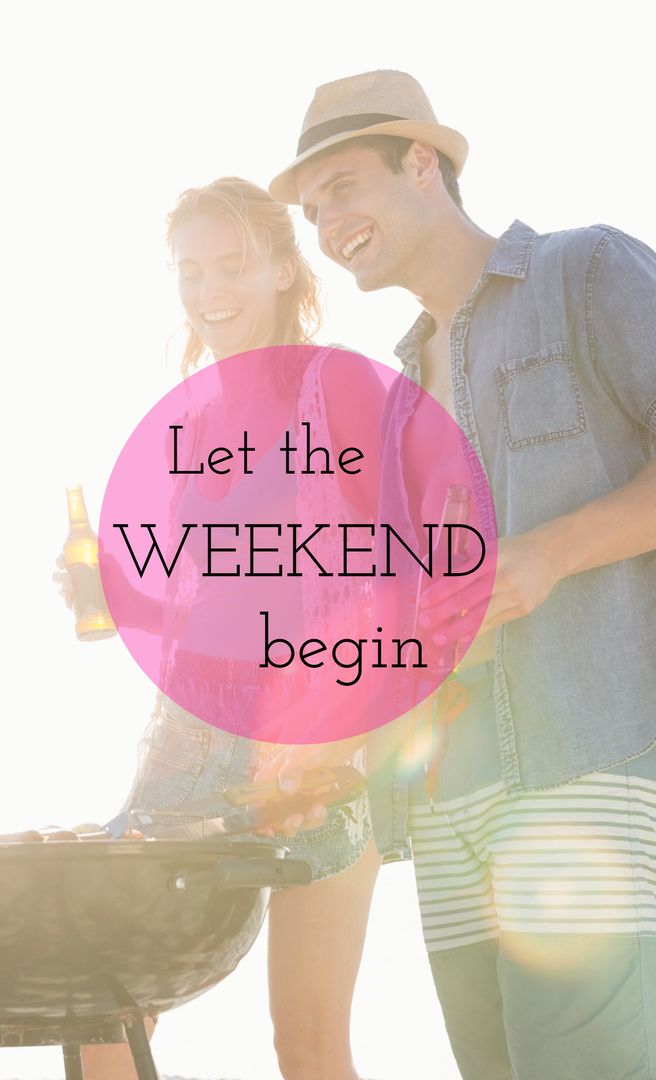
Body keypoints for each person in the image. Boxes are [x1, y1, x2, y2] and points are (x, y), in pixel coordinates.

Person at [266, 70, 656, 1079]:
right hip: (447, 804)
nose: (328, 222)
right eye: (313, 211)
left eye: (345, 186)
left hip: (588, 771)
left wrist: (551, 552)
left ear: (424, 164)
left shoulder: (586, 273)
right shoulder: (394, 405)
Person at [58, 176, 383, 1080]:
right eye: (190, 272)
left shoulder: (340, 388)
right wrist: (124, 598)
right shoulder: (197, 421)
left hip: (312, 742)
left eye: (232, 267)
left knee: (309, 1043)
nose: (210, 292)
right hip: (190, 741)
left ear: (285, 268)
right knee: (102, 1014)